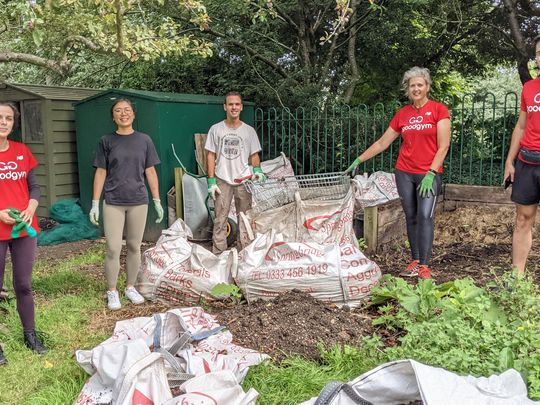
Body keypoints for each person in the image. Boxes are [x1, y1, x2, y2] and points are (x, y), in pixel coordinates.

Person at [346, 67, 451, 279]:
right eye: (412, 85)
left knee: (425, 216)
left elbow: (444, 146)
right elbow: (383, 142)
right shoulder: (403, 114)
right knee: (411, 217)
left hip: (428, 174)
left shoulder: (439, 110)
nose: (416, 88)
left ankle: (424, 265)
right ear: (408, 89)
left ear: (427, 87)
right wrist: (360, 158)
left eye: (420, 84)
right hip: (404, 172)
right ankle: (415, 260)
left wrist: (431, 172)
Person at [89, 99, 164, 310]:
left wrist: (157, 200)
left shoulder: (144, 140)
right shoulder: (106, 141)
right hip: (113, 201)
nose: (124, 114)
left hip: (138, 201)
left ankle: (130, 287)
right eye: (118, 111)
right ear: (113, 116)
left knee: (134, 246)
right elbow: (101, 172)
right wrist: (95, 203)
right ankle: (112, 291)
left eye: (127, 110)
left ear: (134, 114)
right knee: (113, 248)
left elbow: (150, 171)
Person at [0, 101, 48, 365]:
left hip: (23, 229)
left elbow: (35, 188)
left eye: (8, 118)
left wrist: (31, 206)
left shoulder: (21, 151)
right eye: (0, 117)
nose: (4, 122)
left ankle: (30, 336)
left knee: (24, 285)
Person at [205, 92, 265, 254]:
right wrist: (211, 181)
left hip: (243, 179)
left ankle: (244, 251)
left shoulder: (249, 131)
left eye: (237, 104)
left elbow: (254, 155)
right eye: (230, 104)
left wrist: (257, 170)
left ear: (241, 107)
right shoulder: (216, 129)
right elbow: (210, 155)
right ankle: (218, 253)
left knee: (245, 218)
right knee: (220, 219)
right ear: (225, 107)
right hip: (222, 179)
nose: (234, 107)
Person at [503, 34, 540, 276]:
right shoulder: (529, 87)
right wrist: (510, 161)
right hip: (528, 161)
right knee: (522, 220)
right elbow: (521, 126)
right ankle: (516, 279)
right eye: (538, 53)